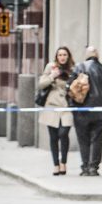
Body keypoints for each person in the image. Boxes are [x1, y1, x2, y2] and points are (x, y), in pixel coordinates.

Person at [69, 45, 102, 176]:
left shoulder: (79, 67)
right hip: (101, 110)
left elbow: (70, 88)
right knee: (97, 139)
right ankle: (93, 167)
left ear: (86, 55)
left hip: (81, 110)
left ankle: (85, 166)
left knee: (83, 139)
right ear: (97, 55)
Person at [38, 46, 75, 175]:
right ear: (56, 57)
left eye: (65, 54)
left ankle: (63, 162)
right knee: (53, 137)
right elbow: (41, 84)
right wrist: (52, 76)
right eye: (60, 55)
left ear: (68, 56)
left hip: (66, 107)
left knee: (63, 134)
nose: (62, 57)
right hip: (52, 107)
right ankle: (55, 164)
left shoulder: (73, 69)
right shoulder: (51, 67)